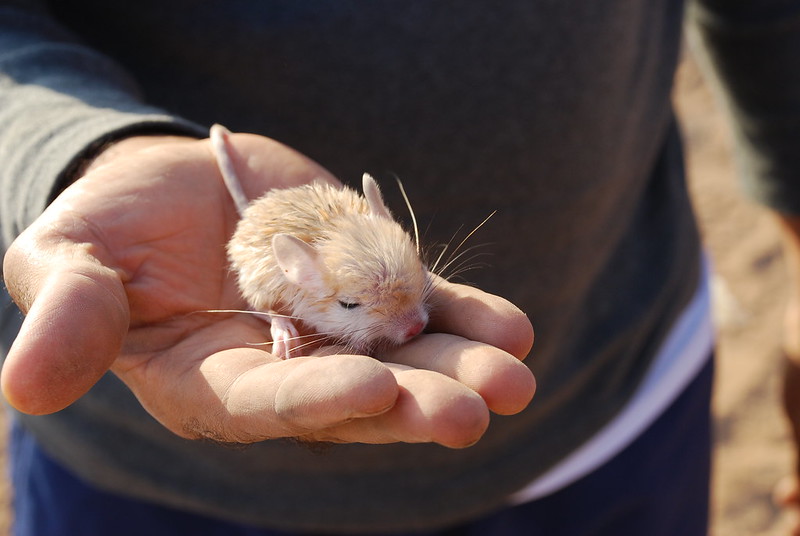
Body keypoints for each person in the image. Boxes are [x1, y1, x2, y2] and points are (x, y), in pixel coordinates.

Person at [0, 1, 798, 534]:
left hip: (621, 388)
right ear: (302, 286)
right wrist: (76, 149)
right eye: (362, 310)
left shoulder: (378, 259)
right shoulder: (284, 275)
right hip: (160, 487)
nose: (414, 325)